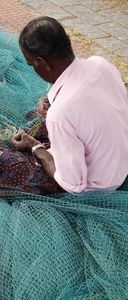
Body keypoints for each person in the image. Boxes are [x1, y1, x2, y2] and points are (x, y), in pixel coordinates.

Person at [13, 16, 128, 193]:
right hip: (122, 159)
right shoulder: (100, 63)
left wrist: (35, 147)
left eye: (32, 64)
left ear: (43, 63)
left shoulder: (59, 115)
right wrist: (56, 102)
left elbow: (73, 185)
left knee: (7, 164)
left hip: (104, 184)